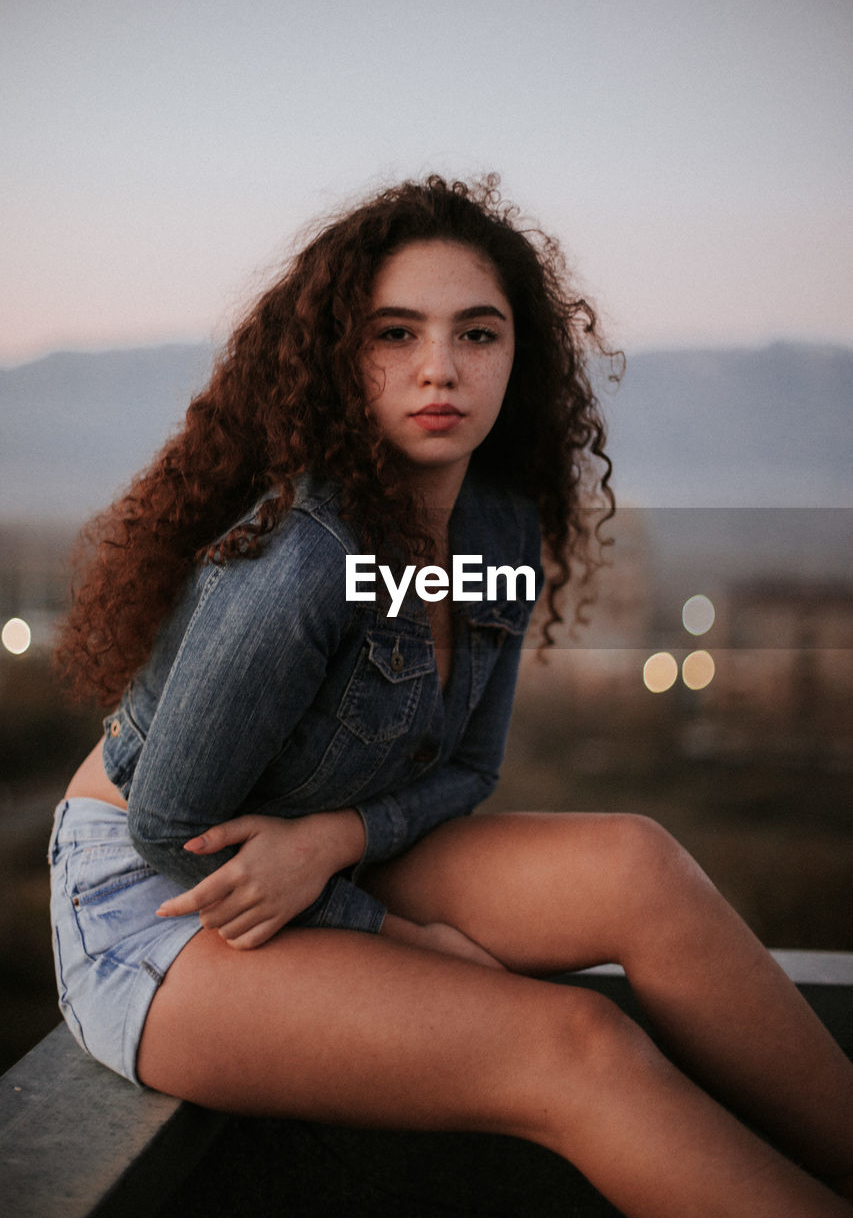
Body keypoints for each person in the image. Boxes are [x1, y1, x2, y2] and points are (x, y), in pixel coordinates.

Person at [50, 175, 852, 1218]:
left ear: (518, 357)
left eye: (477, 333)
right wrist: (388, 931)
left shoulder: (499, 530)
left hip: (304, 838)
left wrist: (339, 837)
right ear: (342, 357)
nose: (440, 368)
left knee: (638, 865)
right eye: (395, 333)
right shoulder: (305, 556)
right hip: (156, 895)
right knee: (573, 1044)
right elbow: (168, 824)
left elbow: (472, 765)